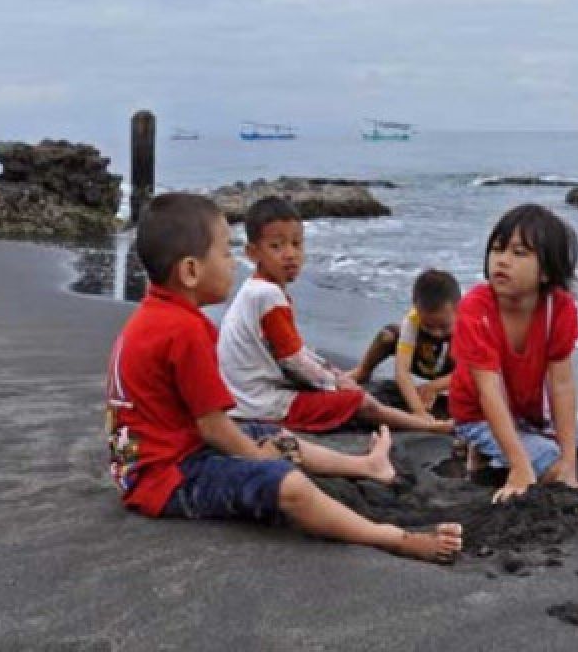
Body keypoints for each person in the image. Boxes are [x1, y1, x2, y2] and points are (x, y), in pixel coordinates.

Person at [105, 192, 462, 561]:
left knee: (268, 435)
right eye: (226, 253)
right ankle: (390, 536)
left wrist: (261, 445)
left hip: (142, 465)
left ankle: (365, 465)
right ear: (191, 270)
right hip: (167, 479)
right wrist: (261, 461)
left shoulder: (154, 318)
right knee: (283, 481)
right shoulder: (184, 332)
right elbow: (213, 428)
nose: (232, 264)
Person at [217, 197, 452, 435]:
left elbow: (292, 350)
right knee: (361, 402)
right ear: (252, 253)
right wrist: (335, 383)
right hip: (261, 404)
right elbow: (293, 360)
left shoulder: (254, 289)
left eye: (296, 244)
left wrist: (333, 374)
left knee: (340, 386)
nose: (290, 254)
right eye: (276, 246)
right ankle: (427, 425)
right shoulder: (268, 296)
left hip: (245, 394)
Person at [450, 203, 578, 503]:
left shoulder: (558, 308)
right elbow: (488, 391)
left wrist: (570, 469)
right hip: (478, 412)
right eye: (498, 250)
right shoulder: (475, 309)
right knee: (545, 459)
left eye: (519, 253)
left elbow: (561, 385)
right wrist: (520, 468)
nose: (503, 261)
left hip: (529, 409)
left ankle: (509, 448)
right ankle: (483, 446)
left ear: (546, 271)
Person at [349, 269, 460, 419]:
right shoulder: (412, 320)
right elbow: (402, 371)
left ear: (458, 309)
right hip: (423, 361)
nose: (436, 333)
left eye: (443, 327)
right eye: (428, 326)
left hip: (452, 369)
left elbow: (472, 371)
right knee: (388, 335)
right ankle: (362, 371)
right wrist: (418, 410)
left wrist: (434, 387)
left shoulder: (468, 323)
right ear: (416, 308)